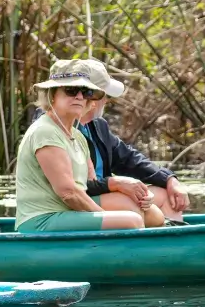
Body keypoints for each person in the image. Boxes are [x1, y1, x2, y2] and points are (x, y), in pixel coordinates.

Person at [14, 64, 144, 233]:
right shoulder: (45, 131)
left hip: (67, 213)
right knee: (131, 221)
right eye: (71, 90)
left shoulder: (77, 135)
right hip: (41, 220)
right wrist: (103, 216)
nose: (79, 96)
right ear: (52, 95)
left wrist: (126, 189)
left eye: (85, 91)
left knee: (137, 213)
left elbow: (90, 184)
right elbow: (68, 192)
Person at [72, 58, 189, 225]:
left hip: (105, 193)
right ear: (91, 95)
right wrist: (116, 184)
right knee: (130, 203)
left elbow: (129, 159)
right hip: (82, 198)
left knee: (168, 196)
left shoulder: (98, 125)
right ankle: (160, 231)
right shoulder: (58, 127)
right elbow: (69, 185)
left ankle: (173, 238)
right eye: (104, 95)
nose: (107, 101)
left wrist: (170, 179)